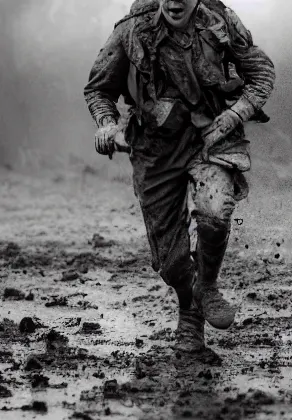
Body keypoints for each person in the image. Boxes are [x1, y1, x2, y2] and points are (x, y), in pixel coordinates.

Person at [84, 0, 275, 352]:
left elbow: (262, 73)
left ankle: (207, 288)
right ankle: (189, 306)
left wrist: (235, 115)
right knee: (171, 265)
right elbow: (99, 89)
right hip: (155, 148)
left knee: (215, 212)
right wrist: (107, 124)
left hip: (211, 137)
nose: (174, 2)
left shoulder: (220, 21)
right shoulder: (131, 29)